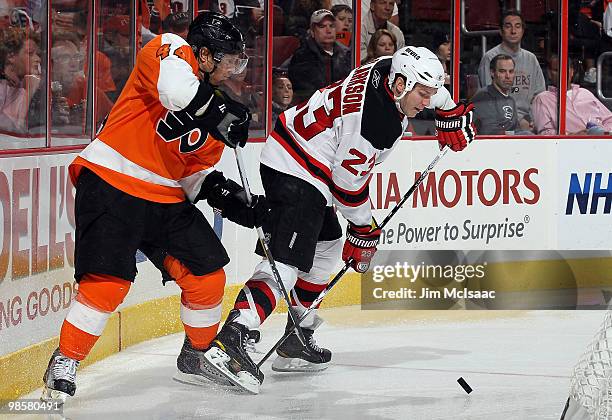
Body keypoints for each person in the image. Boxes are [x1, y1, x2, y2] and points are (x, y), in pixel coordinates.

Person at [201, 46, 476, 394]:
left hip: (302, 157)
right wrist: (364, 228)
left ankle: (295, 336)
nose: (427, 101)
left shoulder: (386, 68)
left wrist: (448, 108)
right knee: (286, 261)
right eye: (423, 94)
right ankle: (233, 338)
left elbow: (426, 88)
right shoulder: (377, 123)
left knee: (328, 247)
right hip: (295, 168)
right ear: (401, 84)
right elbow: (347, 186)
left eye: (430, 94)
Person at [41, 12, 269, 403]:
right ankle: (65, 359)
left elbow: (192, 176)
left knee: (207, 274)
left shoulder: (218, 112)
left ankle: (197, 355)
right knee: (108, 283)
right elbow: (174, 92)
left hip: (163, 197)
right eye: (227, 59)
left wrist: (233, 200)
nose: (233, 69)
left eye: (238, 61)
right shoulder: (169, 49)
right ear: (203, 53)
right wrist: (219, 114)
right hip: (112, 179)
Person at [477, 9, 545, 132]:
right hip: (501, 124)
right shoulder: (490, 58)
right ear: (501, 31)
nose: (513, 31)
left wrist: (531, 119)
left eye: (517, 27)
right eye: (508, 27)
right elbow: (489, 99)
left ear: (523, 31)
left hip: (529, 122)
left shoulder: (531, 59)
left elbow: (539, 96)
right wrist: (517, 121)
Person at [532, 55, 612, 135]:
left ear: (572, 72)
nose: (562, 74)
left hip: (601, 141)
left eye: (565, 69)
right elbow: (545, 133)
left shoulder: (585, 93)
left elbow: (609, 119)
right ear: (549, 74)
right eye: (556, 70)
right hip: (570, 145)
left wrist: (604, 133)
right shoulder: (543, 99)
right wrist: (574, 136)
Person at [288, 9, 351, 103]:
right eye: (322, 26)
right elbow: (306, 92)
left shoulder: (346, 53)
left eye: (332, 26)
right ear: (312, 32)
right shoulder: (302, 56)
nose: (328, 30)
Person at [0, 27, 41, 133]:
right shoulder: (2, 88)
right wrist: (29, 91)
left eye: (38, 54)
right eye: (30, 53)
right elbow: (10, 129)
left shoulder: (31, 87)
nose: (38, 59)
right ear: (11, 56)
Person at [471, 54, 519, 135]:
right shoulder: (483, 97)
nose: (508, 76)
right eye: (502, 71)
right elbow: (489, 132)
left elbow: (516, 128)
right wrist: (514, 133)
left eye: (511, 71)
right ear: (492, 73)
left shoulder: (511, 100)